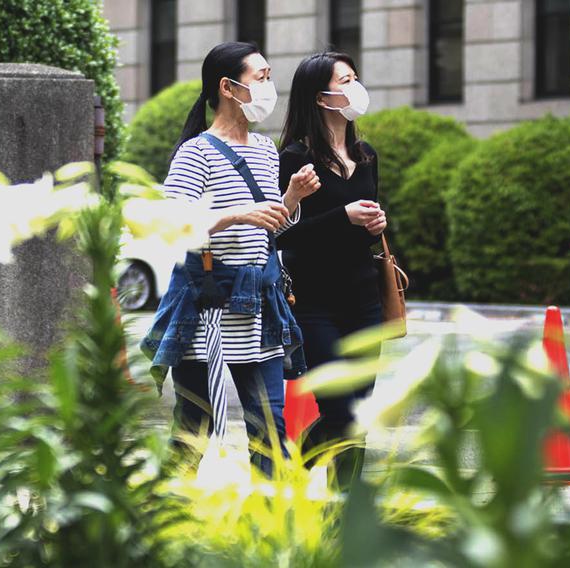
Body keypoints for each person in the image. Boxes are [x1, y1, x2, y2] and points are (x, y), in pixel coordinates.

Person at [141, 42, 321, 474]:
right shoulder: (196, 152)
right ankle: (157, 520)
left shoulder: (262, 148)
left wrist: (291, 197)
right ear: (228, 87)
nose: (269, 86)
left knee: (271, 432)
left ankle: (267, 531)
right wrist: (237, 214)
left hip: (260, 309)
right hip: (208, 312)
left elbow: (268, 229)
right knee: (193, 431)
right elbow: (172, 225)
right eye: (260, 77)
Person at [275, 52, 386, 487]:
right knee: (339, 411)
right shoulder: (295, 159)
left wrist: (377, 222)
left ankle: (347, 509)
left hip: (364, 299)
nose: (356, 87)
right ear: (321, 97)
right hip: (315, 303)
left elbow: (370, 223)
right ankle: (290, 473)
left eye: (356, 77)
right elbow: (283, 234)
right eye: (346, 80)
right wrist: (344, 216)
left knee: (358, 415)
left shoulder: (367, 154)